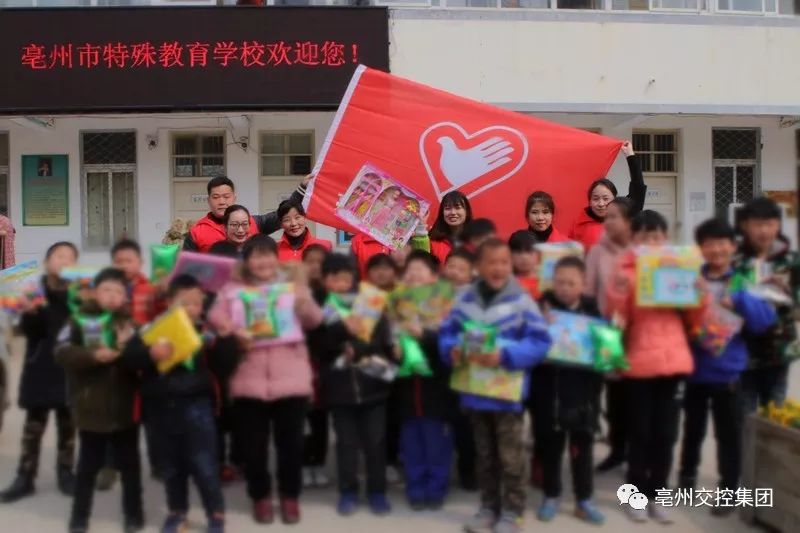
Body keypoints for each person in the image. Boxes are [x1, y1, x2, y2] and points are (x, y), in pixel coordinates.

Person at [439, 239, 552, 533]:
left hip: (507, 395)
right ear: (478, 266)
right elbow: (448, 333)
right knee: (485, 457)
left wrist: (507, 355)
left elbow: (540, 340)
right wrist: (451, 349)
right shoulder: (465, 300)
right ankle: (488, 507)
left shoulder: (521, 300)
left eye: (504, 262)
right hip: (475, 393)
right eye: (492, 262)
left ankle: (513, 512)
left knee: (511, 458)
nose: (499, 268)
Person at [209, 235, 322, 525]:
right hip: (248, 379)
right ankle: (260, 496)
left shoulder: (292, 286)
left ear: (276, 258)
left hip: (291, 379)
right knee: (253, 448)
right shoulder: (233, 289)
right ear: (247, 261)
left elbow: (314, 320)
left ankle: (289, 496)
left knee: (291, 445)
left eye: (267, 254)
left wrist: (302, 299)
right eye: (255, 256)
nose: (262, 261)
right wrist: (234, 330)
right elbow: (215, 317)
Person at [604, 210, 698, 524]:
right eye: (644, 237)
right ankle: (636, 495)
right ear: (634, 239)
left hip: (674, 360)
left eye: (656, 236)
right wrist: (619, 290)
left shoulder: (679, 267)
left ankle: (659, 494)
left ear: (665, 238)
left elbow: (695, 318)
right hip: (639, 362)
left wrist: (695, 291)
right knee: (640, 432)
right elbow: (617, 317)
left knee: (666, 433)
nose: (651, 242)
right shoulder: (626, 270)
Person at [677, 219, 776, 516]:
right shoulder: (691, 279)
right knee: (692, 430)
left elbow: (764, 322)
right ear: (701, 248)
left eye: (722, 243)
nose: (716, 249)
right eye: (709, 243)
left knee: (728, 435)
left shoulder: (744, 283)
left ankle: (729, 490)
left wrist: (741, 301)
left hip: (729, 373)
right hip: (695, 370)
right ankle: (686, 480)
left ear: (733, 247)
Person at [121, 275, 233, 533]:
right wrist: (150, 353)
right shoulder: (152, 330)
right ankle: (177, 512)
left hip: (197, 406)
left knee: (205, 465)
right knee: (170, 466)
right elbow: (129, 358)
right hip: (160, 408)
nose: (191, 308)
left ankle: (215, 513)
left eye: (196, 303)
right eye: (184, 303)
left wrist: (226, 340)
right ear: (169, 301)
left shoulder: (206, 332)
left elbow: (225, 364)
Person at [55, 268, 143, 533]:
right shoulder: (78, 320)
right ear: (95, 292)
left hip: (126, 412)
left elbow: (143, 362)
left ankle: (133, 515)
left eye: (118, 291)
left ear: (125, 296)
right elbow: (62, 351)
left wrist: (129, 347)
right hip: (91, 410)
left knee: (131, 469)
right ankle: (79, 518)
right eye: (107, 290)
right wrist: (92, 356)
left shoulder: (131, 324)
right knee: (87, 468)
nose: (112, 296)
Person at [316, 253, 394, 516]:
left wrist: (358, 349)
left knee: (376, 442)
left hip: (373, 386)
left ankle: (377, 491)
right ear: (325, 280)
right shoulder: (321, 308)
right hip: (339, 389)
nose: (341, 283)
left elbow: (382, 340)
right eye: (334, 278)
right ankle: (348, 491)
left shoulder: (370, 302)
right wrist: (341, 331)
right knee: (346, 444)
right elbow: (318, 345)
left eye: (346, 277)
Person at [1, 242, 78, 503]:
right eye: (59, 256)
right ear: (47, 262)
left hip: (68, 370)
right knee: (33, 428)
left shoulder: (78, 295)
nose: (63, 261)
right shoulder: (32, 292)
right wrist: (29, 313)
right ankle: (25, 477)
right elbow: (27, 332)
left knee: (68, 427)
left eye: (69, 257)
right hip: (40, 369)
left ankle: (66, 473)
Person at [533, 257, 605, 525]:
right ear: (552, 282)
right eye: (560, 282)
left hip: (583, 396)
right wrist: (540, 326)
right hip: (549, 394)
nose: (564, 288)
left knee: (582, 450)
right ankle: (551, 495)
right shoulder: (542, 308)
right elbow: (530, 345)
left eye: (571, 283)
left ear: (583, 284)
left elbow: (603, 353)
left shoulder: (592, 311)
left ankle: (583, 500)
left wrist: (610, 336)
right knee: (550, 449)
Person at [391, 251, 453, 510]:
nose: (414, 274)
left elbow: (451, 346)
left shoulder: (446, 305)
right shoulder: (396, 305)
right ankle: (415, 487)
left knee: (436, 442)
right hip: (406, 388)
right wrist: (393, 347)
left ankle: (436, 488)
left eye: (420, 270)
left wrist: (425, 335)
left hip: (436, 389)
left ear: (433, 277)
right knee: (411, 442)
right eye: (410, 270)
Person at [735, 196, 800, 412]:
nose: (763, 231)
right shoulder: (734, 260)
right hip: (742, 350)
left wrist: (788, 293)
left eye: (769, 224)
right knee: (744, 416)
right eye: (757, 224)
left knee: (774, 414)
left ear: (778, 225)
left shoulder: (791, 261)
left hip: (778, 351)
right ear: (745, 225)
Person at [584, 197, 634, 473]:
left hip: (638, 333)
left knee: (636, 395)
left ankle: (637, 453)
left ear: (629, 221)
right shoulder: (597, 252)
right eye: (608, 217)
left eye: (615, 216)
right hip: (607, 332)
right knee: (613, 395)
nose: (609, 221)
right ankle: (617, 449)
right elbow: (588, 293)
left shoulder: (641, 251)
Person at [183, 175, 309, 253]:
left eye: (226, 196)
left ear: (234, 198)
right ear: (208, 200)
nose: (221, 202)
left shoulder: (253, 222)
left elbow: (281, 214)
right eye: (216, 197)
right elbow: (187, 270)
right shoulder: (196, 232)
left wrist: (302, 190)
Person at [568, 141, 645, 252]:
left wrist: (630, 155)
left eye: (606, 198)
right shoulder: (578, 225)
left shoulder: (624, 218)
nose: (601, 204)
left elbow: (638, 190)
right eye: (595, 199)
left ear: (614, 199)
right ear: (589, 201)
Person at [301, 244, 333, 488]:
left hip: (324, 364)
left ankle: (319, 462)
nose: (314, 266)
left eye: (319, 262)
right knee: (301, 419)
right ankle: (304, 463)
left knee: (320, 418)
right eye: (310, 261)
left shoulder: (332, 294)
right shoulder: (296, 293)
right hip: (299, 364)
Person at [429, 190, 474, 265]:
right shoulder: (431, 242)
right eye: (447, 208)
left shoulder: (476, 241)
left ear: (467, 212)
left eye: (458, 207)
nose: (453, 212)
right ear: (442, 213)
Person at [508, 230, 540, 301]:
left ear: (538, 254)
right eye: (518, 252)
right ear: (509, 254)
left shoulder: (547, 281)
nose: (524, 257)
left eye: (529, 251)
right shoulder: (504, 281)